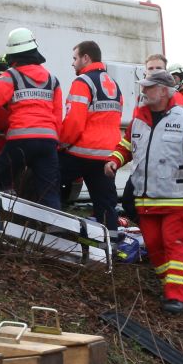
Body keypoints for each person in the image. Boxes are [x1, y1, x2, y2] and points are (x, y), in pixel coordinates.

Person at [104, 70, 183, 314]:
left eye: (148, 88)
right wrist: (114, 160)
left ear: (164, 91)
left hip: (177, 200)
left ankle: (176, 297)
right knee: (154, 246)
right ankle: (172, 284)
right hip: (146, 200)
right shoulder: (138, 120)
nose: (143, 92)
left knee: (172, 244)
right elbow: (126, 146)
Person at [0, 28, 62, 208]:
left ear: (13, 55)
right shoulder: (52, 80)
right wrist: (55, 142)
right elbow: (57, 115)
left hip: (21, 139)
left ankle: (6, 211)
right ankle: (55, 227)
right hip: (48, 142)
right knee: (49, 188)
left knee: (3, 174)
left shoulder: (11, 76)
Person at [57, 40, 124, 230]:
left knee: (47, 178)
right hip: (107, 156)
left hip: (81, 152)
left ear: (86, 58)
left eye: (75, 58)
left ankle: (49, 227)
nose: (72, 63)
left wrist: (60, 144)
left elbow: (74, 123)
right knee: (105, 205)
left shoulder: (82, 82)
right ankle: (110, 248)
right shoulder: (114, 84)